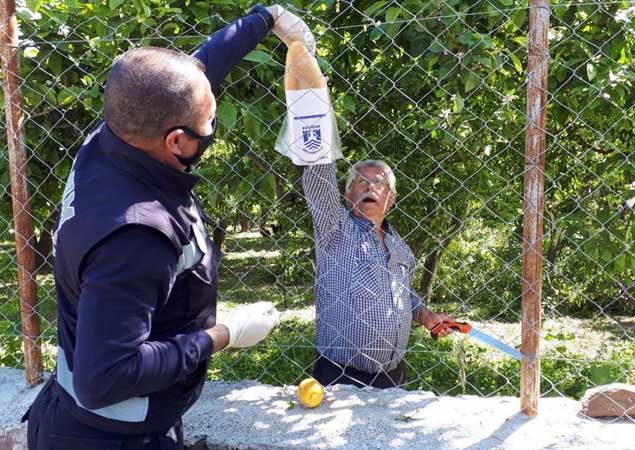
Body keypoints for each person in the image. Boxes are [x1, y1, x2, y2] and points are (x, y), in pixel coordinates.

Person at [24, 4, 314, 450]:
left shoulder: (110, 140)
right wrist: (224, 336)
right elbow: (103, 379)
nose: (214, 126)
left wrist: (264, 18)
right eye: (209, 123)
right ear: (177, 141)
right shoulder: (138, 236)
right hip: (113, 436)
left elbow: (184, 81)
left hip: (106, 422)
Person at [302, 160, 456, 389]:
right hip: (340, 377)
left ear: (391, 199)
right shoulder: (335, 230)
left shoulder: (399, 247)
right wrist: (317, 143)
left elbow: (402, 293)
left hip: (393, 377)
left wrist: (426, 316)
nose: (369, 187)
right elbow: (319, 187)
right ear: (347, 194)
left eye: (379, 183)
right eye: (361, 181)